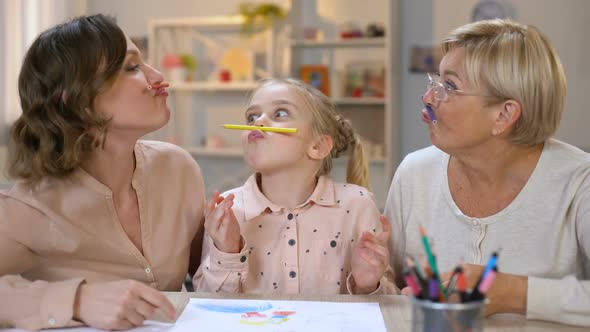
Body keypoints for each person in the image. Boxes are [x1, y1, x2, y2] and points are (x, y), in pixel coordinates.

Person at [0, 14, 206, 330]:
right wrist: (78, 301)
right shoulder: (25, 208)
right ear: (78, 100)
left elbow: (209, 280)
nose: (158, 76)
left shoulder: (178, 169)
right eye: (132, 67)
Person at [385, 19, 590, 326]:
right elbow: (397, 288)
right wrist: (375, 278)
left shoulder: (579, 181)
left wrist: (511, 293)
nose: (428, 98)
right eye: (435, 81)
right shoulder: (414, 173)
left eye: (450, 87)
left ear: (504, 114)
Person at [193, 78, 397, 295]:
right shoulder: (228, 211)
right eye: (252, 116)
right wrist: (226, 254)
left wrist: (367, 285)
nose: (258, 121)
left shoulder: (358, 204)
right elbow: (205, 307)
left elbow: (389, 307)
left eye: (280, 114)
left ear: (317, 146)